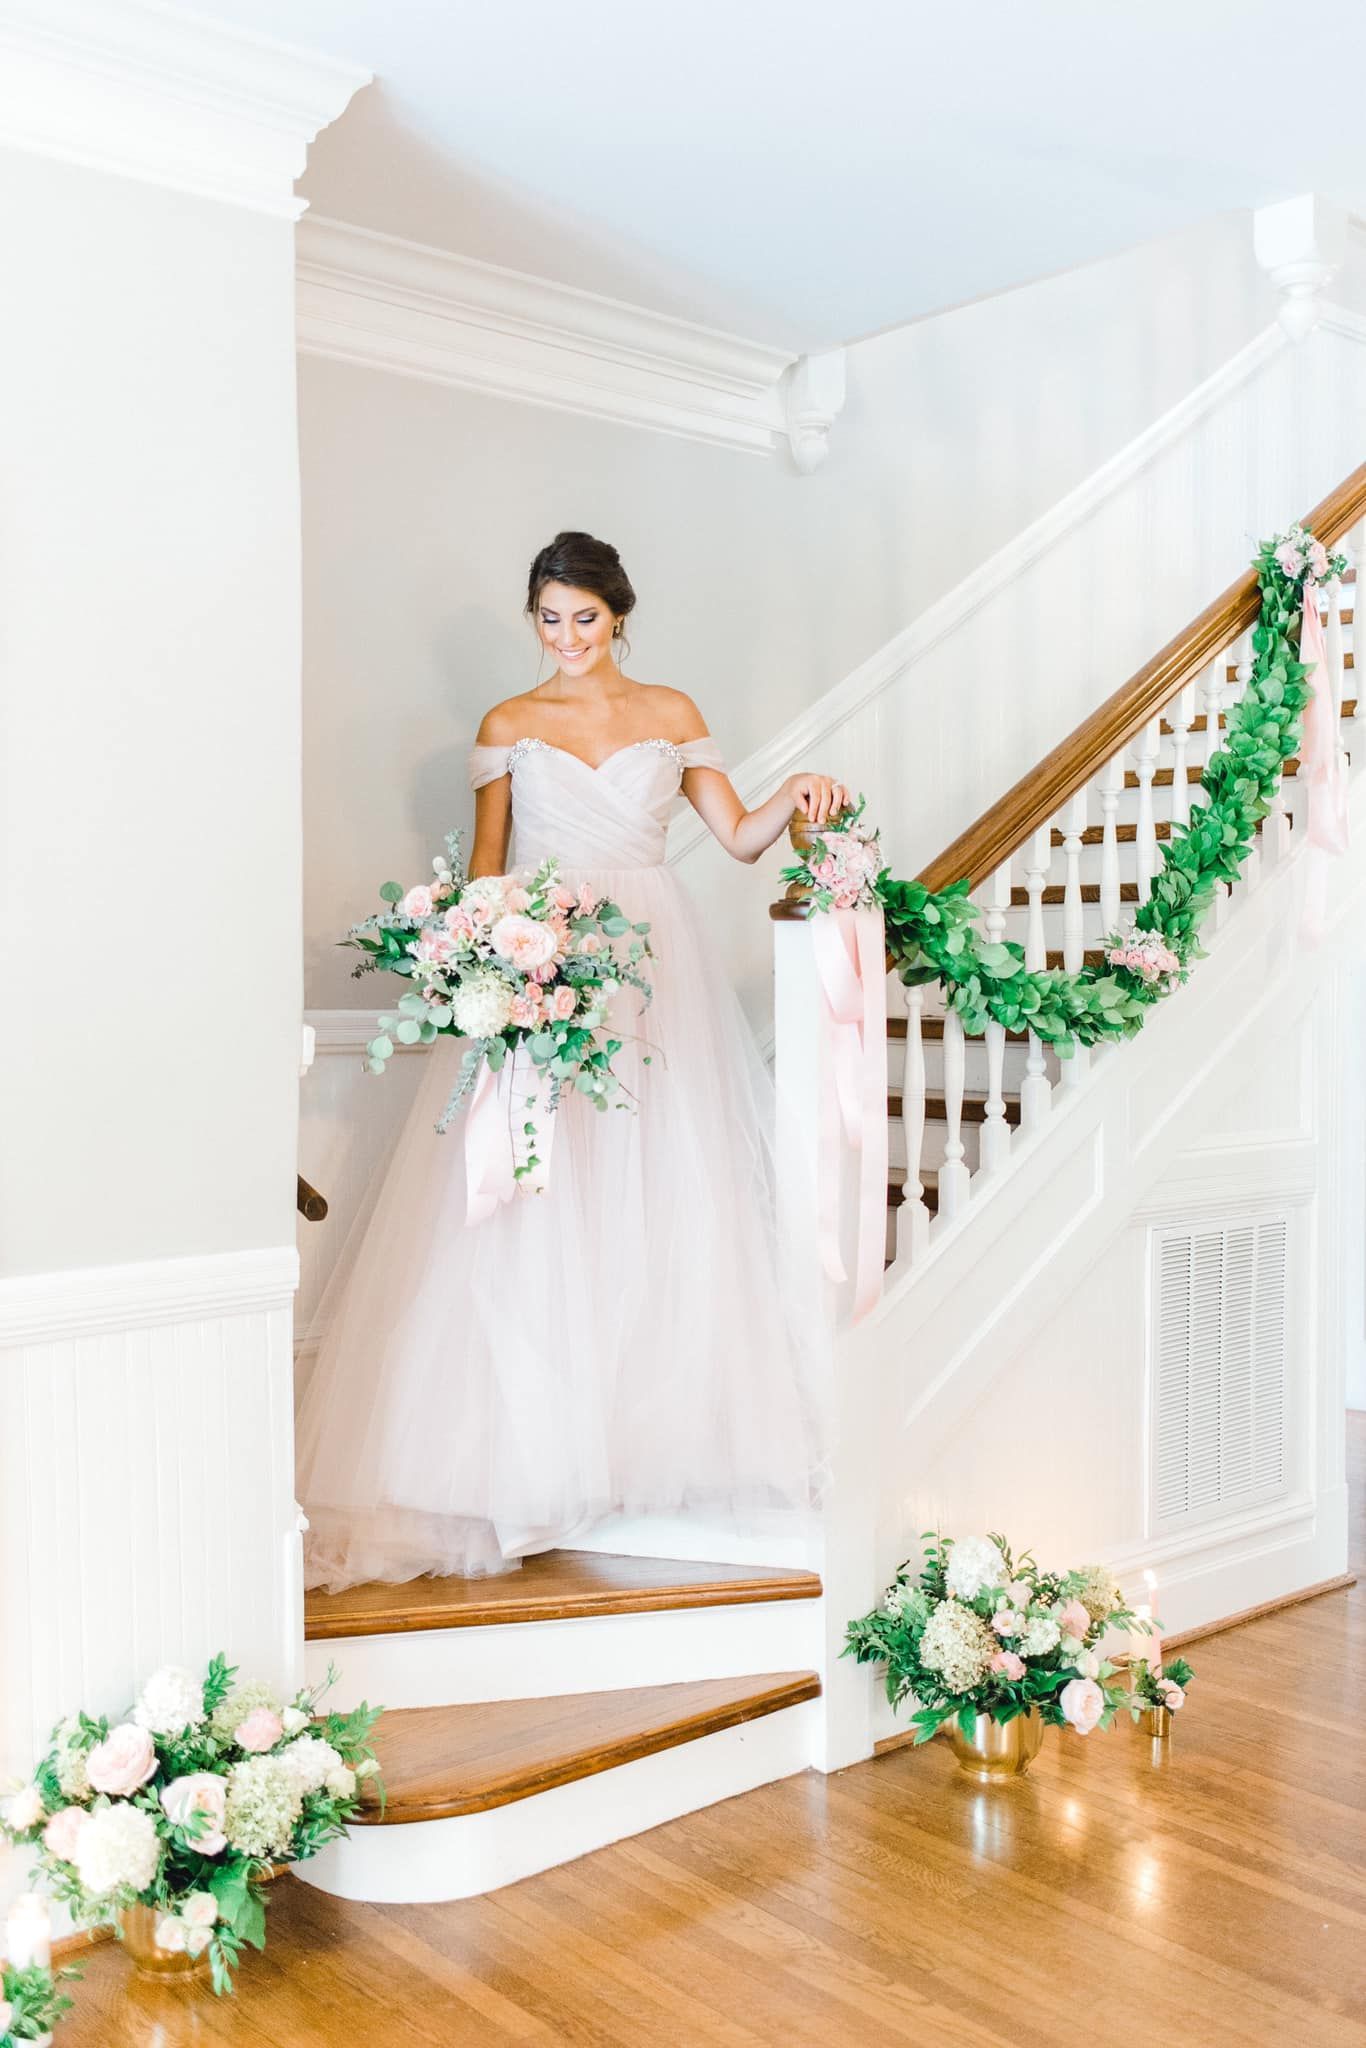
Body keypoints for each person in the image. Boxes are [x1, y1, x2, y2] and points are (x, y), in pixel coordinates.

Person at [297, 530, 849, 1591]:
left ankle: (645, 1447)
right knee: (540, 1201)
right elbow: (491, 871)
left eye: (583, 618)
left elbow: (737, 839)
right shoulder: (508, 725)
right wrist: (487, 967)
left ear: (618, 614)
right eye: (548, 618)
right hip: (547, 953)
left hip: (655, 964)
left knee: (660, 1188)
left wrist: (799, 789)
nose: (565, 639)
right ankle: (524, 1463)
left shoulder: (672, 713)